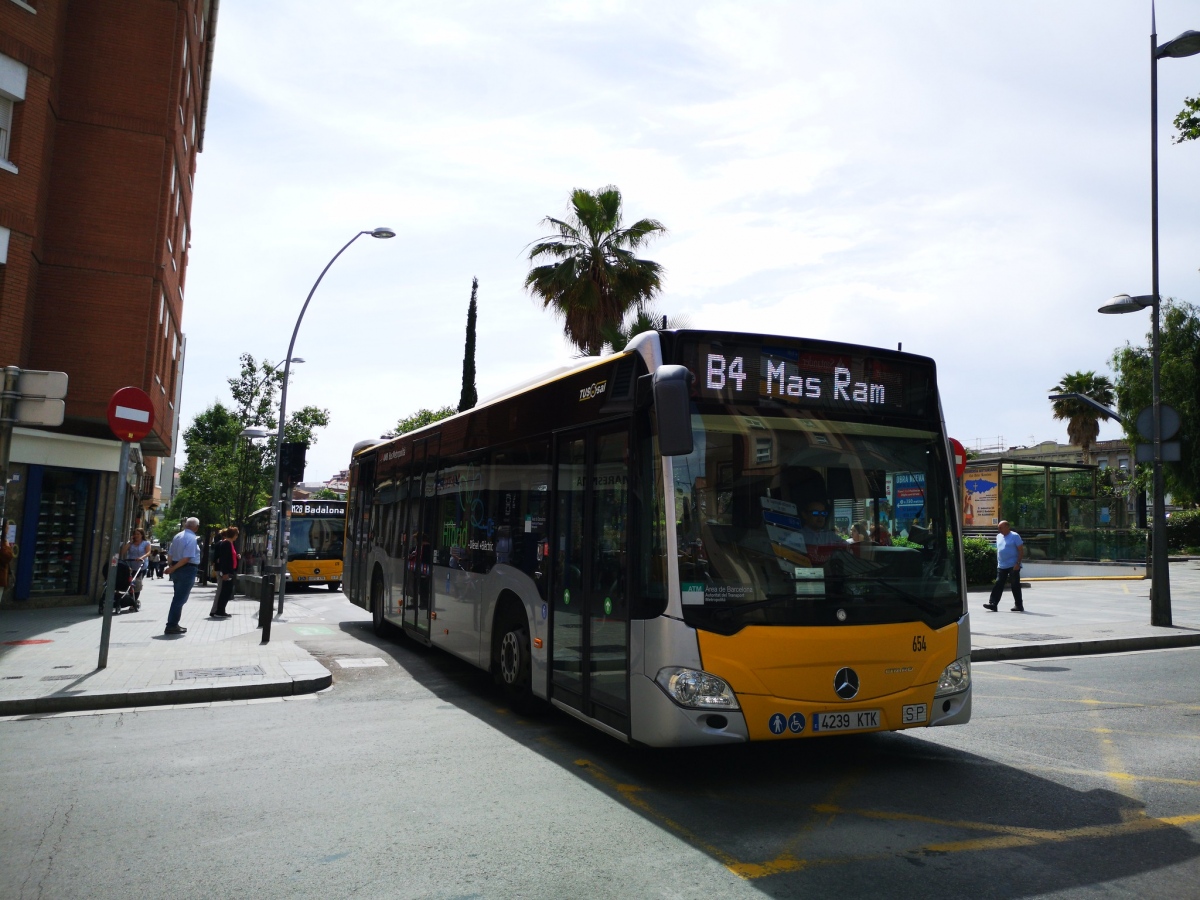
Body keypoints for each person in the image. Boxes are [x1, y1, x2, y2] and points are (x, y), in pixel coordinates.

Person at [164, 517, 201, 635]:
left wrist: (171, 566)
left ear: (186, 525)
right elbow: (187, 558)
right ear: (196, 527)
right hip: (187, 569)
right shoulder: (192, 538)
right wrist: (173, 568)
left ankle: (174, 624)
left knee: (178, 597)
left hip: (177, 568)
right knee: (179, 599)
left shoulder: (177, 536)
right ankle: (171, 625)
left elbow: (170, 554)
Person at [983, 519, 1025, 612]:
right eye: (998, 528)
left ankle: (1019, 605)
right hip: (1002, 565)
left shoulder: (1015, 536)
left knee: (1015, 585)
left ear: (1007, 527)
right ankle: (993, 604)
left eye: (1001, 528)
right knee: (998, 583)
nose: (999, 530)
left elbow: (1021, 550)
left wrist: (1018, 563)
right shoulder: (998, 536)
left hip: (1013, 565)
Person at [209, 526, 239, 619]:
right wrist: (225, 572)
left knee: (227, 591)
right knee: (224, 591)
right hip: (226, 571)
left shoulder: (230, 544)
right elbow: (224, 559)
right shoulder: (226, 544)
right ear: (233, 535)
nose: (237, 536)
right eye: (236, 534)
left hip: (230, 570)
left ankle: (221, 610)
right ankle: (219, 611)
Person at [120, 528, 152, 605]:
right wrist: (129, 542)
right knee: (129, 583)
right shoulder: (130, 543)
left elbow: (148, 553)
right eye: (135, 534)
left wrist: (142, 558)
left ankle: (134, 600)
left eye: (138, 534)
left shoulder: (146, 543)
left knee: (136, 584)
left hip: (141, 566)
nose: (136, 536)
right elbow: (122, 552)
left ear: (142, 535)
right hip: (130, 566)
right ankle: (129, 598)